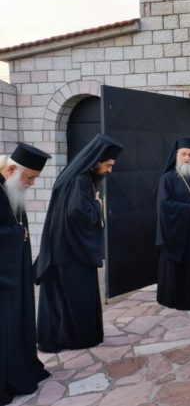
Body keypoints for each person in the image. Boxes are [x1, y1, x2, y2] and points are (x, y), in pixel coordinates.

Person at [36, 134, 124, 352]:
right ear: (97, 160)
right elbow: (76, 212)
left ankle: (68, 337)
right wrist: (97, 206)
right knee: (75, 298)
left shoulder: (78, 176)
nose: (109, 171)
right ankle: (75, 339)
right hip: (71, 253)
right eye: (108, 165)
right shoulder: (80, 180)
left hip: (65, 250)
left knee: (66, 299)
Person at [0, 144, 51, 405]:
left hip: (13, 274)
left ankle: (19, 369)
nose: (31, 183)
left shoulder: (11, 189)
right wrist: (15, 235)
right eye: (29, 177)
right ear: (11, 170)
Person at [156, 138, 190, 310]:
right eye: (184, 154)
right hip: (176, 232)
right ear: (176, 155)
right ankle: (176, 299)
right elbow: (164, 205)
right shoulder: (167, 178)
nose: (187, 158)